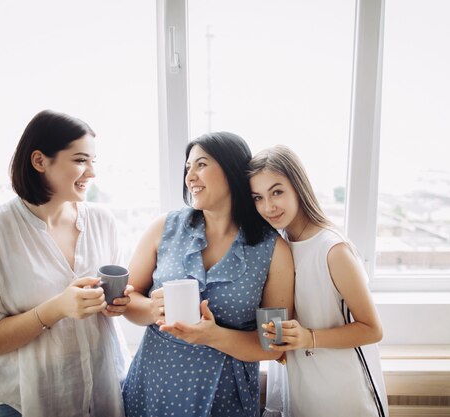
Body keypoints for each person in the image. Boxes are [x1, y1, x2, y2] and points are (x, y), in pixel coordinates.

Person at [0, 109, 133, 417]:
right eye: (80, 160)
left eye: (94, 161)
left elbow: (114, 304)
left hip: (106, 394)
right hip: (27, 404)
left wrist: (117, 304)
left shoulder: (103, 222)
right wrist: (57, 309)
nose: (91, 172)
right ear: (39, 161)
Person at [122, 132, 295, 417]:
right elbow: (126, 300)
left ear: (232, 169)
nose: (190, 176)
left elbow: (272, 345)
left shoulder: (273, 249)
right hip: (153, 387)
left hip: (224, 397)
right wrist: (153, 308)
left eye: (201, 164)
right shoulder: (164, 227)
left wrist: (213, 336)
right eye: (187, 168)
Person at [248, 145, 388, 417]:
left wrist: (307, 337)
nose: (268, 206)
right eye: (258, 197)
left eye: (277, 191)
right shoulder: (279, 247)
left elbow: (372, 329)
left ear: (298, 187)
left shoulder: (333, 250)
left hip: (344, 393)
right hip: (302, 391)